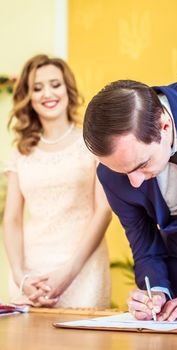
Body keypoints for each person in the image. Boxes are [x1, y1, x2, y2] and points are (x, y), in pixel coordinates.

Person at [83, 73, 177, 321]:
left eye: (141, 165)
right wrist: (156, 293)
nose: (134, 182)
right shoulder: (109, 174)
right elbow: (145, 246)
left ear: (164, 125)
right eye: (123, 172)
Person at [3, 54, 112, 308]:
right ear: (28, 97)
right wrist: (20, 274)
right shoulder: (20, 151)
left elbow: (104, 211)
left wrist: (69, 272)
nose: (47, 94)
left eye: (55, 84)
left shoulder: (91, 143)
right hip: (32, 274)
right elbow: (13, 219)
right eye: (37, 88)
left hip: (83, 269)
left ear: (67, 88)